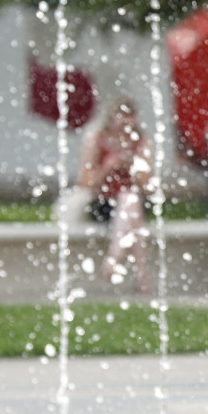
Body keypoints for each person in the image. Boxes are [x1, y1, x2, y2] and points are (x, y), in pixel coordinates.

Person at [79, 98, 152, 291]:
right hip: (104, 204)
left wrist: (133, 168)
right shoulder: (96, 140)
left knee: (130, 200)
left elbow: (147, 186)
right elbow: (85, 182)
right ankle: (142, 277)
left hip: (132, 205)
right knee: (131, 208)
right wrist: (107, 167)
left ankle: (114, 260)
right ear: (111, 118)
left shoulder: (141, 144)